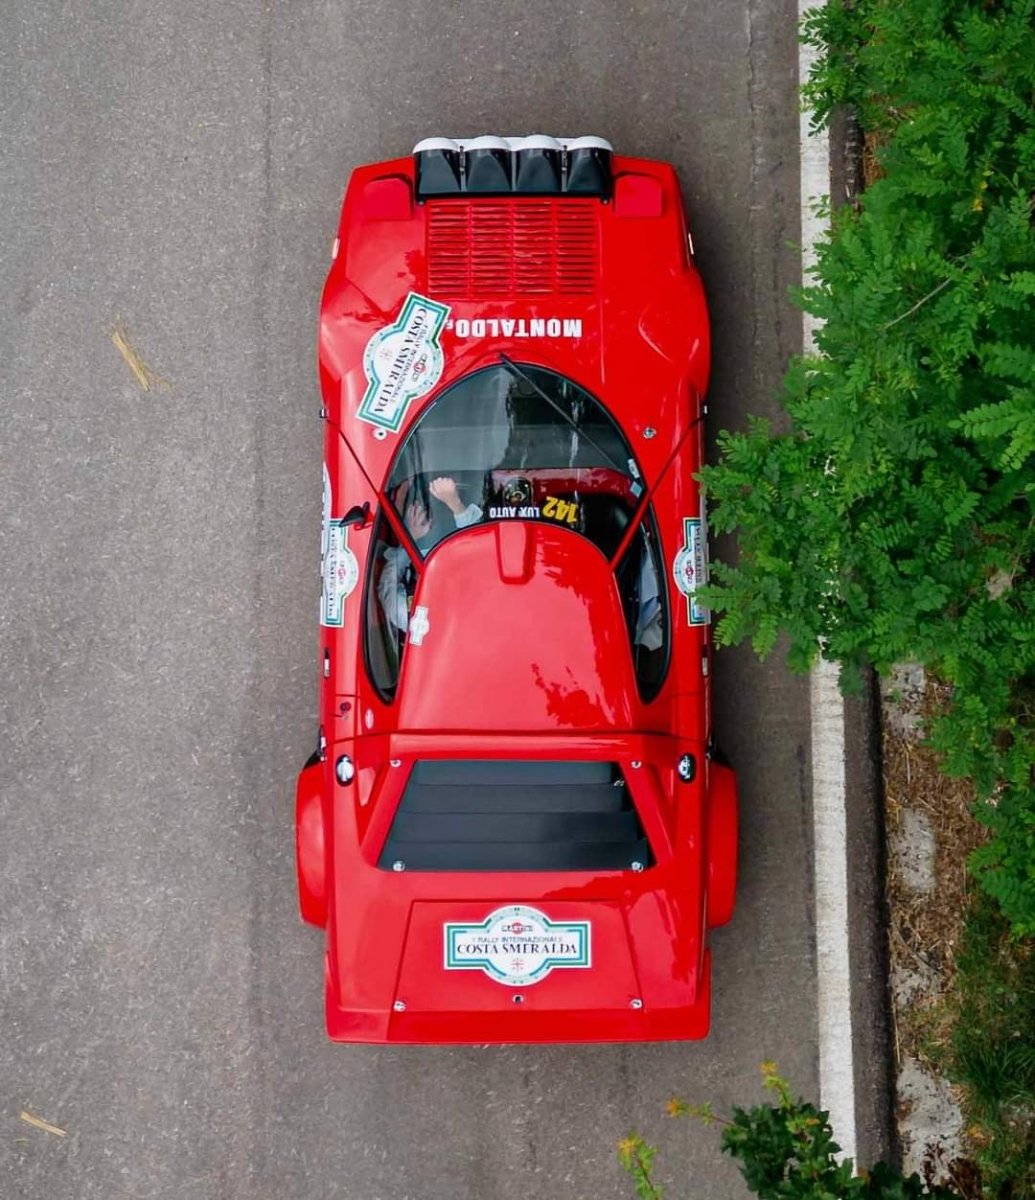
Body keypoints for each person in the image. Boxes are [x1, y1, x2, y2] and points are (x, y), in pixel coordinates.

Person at [378, 477, 482, 635]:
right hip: (458, 535)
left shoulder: (406, 613)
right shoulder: (473, 605)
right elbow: (481, 549)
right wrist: (455, 503)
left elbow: (387, 582)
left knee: (413, 511)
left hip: (417, 546)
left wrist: (410, 538)